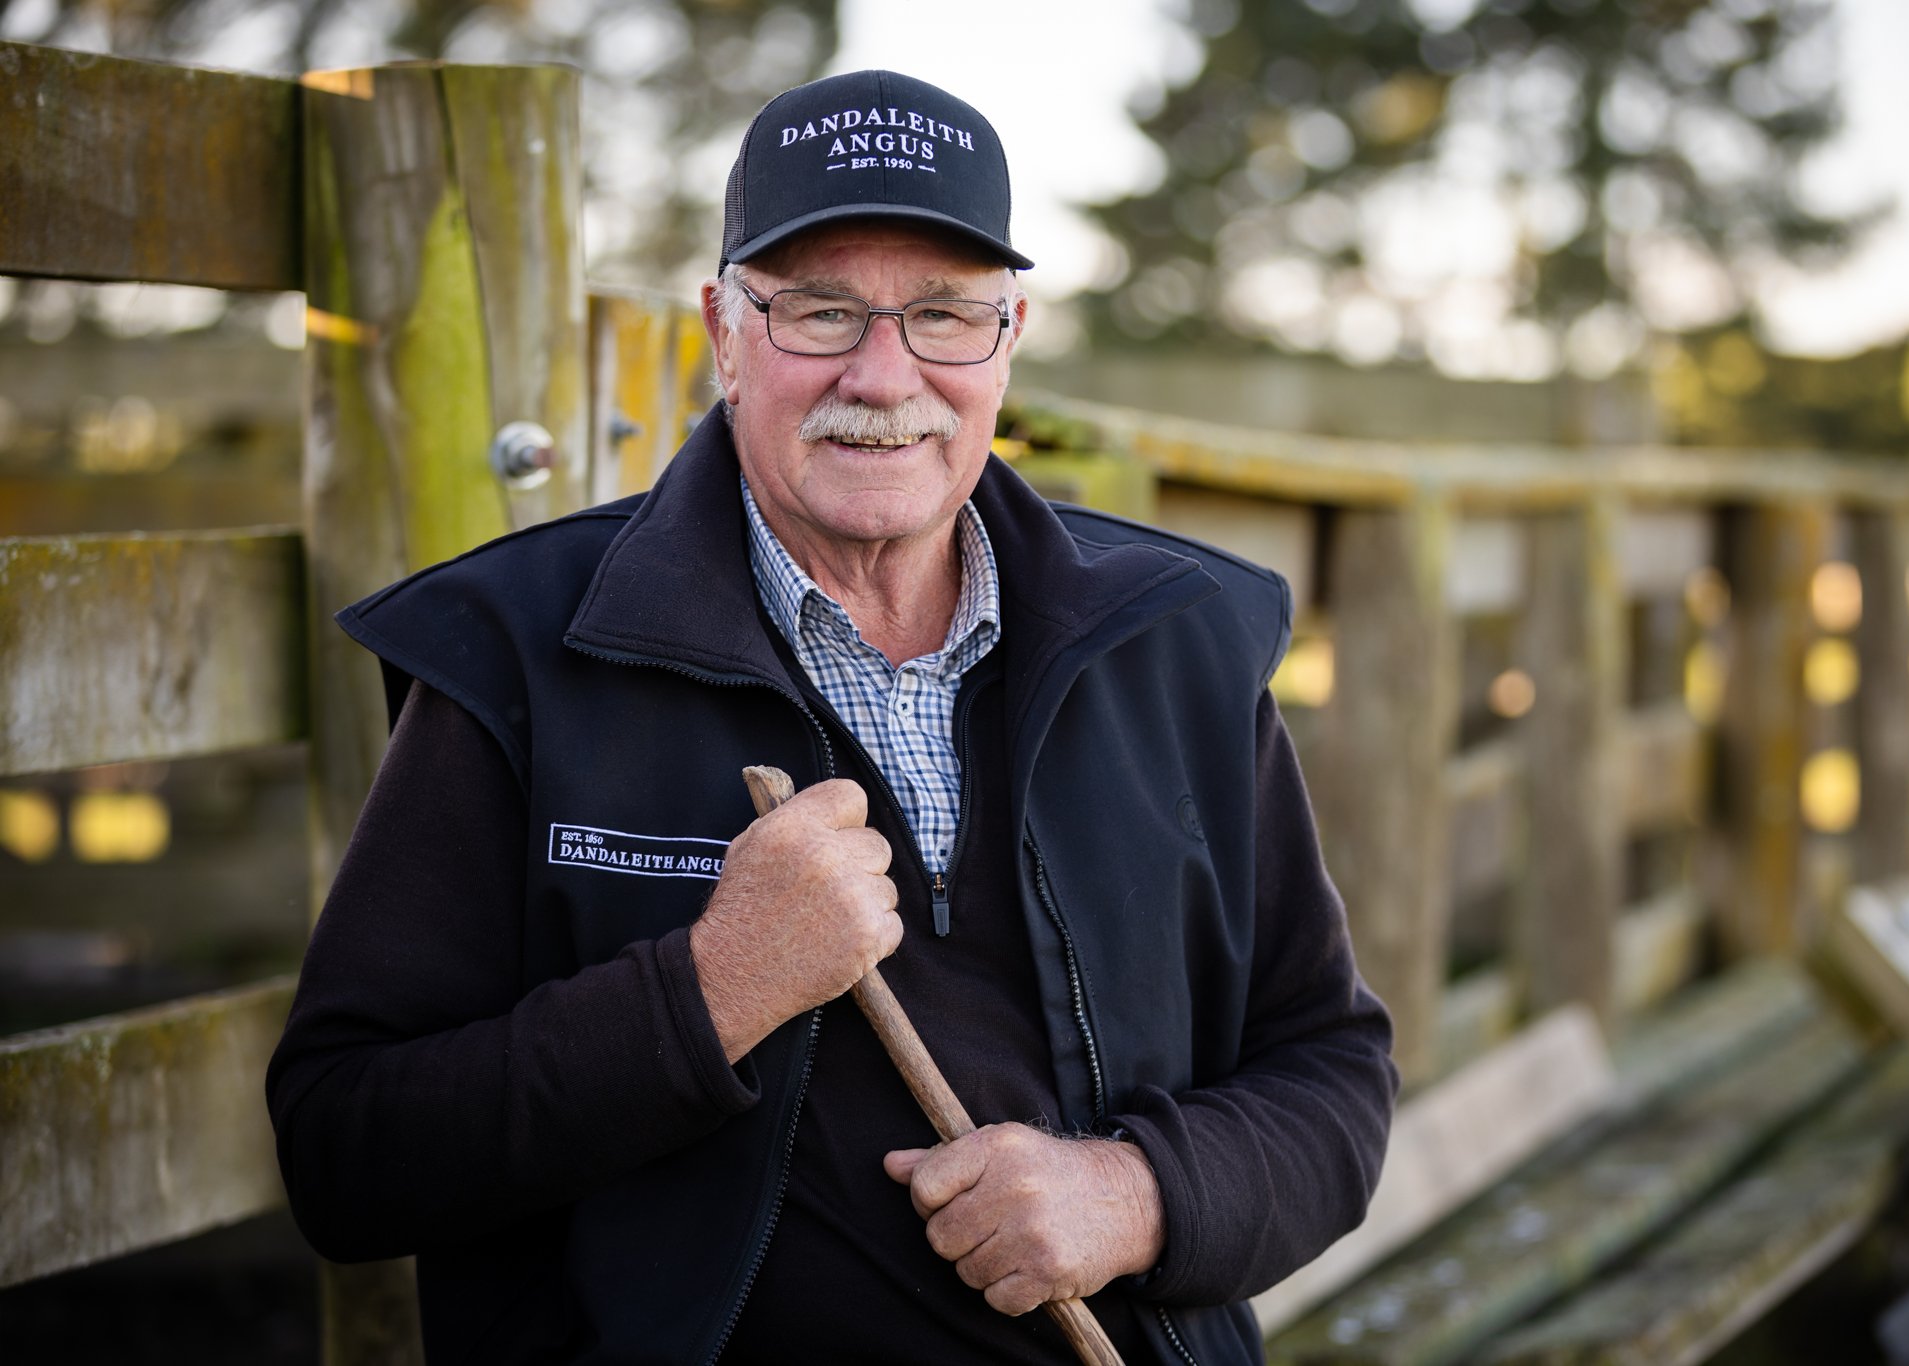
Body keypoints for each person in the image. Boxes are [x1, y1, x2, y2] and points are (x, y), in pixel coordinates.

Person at [267, 69, 1397, 1365]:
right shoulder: (518, 652)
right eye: (820, 311)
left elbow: (1334, 1076)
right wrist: (703, 995)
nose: (883, 373)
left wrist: (1139, 1196)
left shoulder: (1171, 643)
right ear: (724, 332)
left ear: (1010, 337)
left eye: (943, 315)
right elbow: (344, 1151)